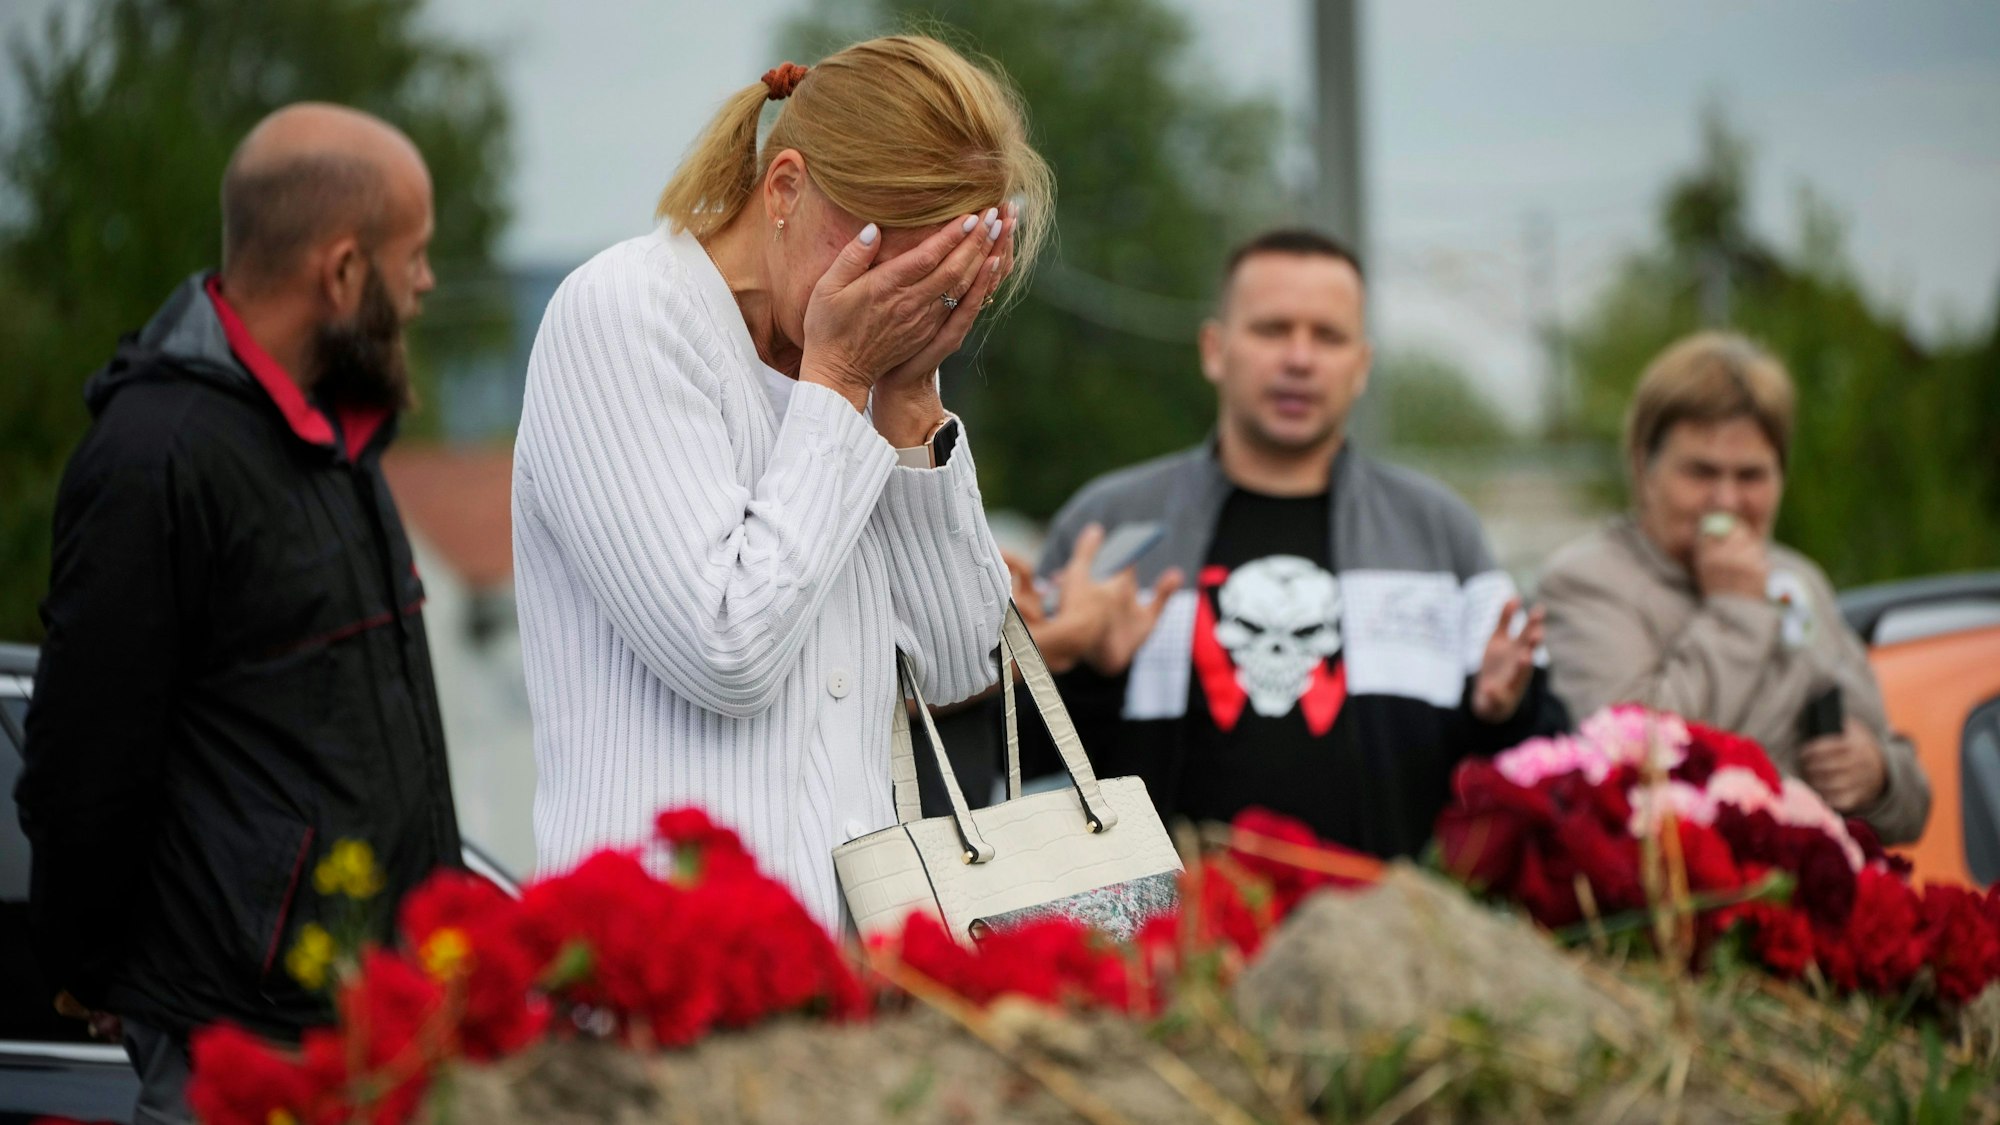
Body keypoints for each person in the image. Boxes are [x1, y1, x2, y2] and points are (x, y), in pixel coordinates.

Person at [514, 38, 1051, 927]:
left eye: (938, 282)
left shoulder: (864, 367)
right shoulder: (625, 315)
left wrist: (909, 398)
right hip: (659, 972)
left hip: (839, 989)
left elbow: (961, 666)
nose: (902, 301)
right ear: (786, 187)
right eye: (890, 261)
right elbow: (727, 647)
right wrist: (841, 382)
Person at [15, 103, 459, 1124]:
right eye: (415, 256)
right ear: (343, 273)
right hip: (242, 1048)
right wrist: (88, 963)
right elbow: (84, 761)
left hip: (374, 1029)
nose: (426, 283)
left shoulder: (336, 440)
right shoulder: (155, 456)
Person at [1030, 228, 1569, 859]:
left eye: (1328, 336)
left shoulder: (1439, 531)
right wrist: (1089, 673)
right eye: (1272, 329)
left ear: (1361, 365)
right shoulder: (1112, 529)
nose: (1300, 358)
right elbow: (1023, 769)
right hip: (1169, 939)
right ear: (1214, 349)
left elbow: (1542, 765)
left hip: (1382, 936)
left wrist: (1508, 709)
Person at [1537, 332, 1930, 843]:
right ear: (1642, 466)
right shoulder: (1586, 582)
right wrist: (1736, 610)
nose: (1726, 501)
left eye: (1751, 476)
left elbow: (1911, 805)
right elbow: (1634, 762)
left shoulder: (1799, 580)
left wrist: (1877, 776)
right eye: (1701, 472)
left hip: (1804, 895)